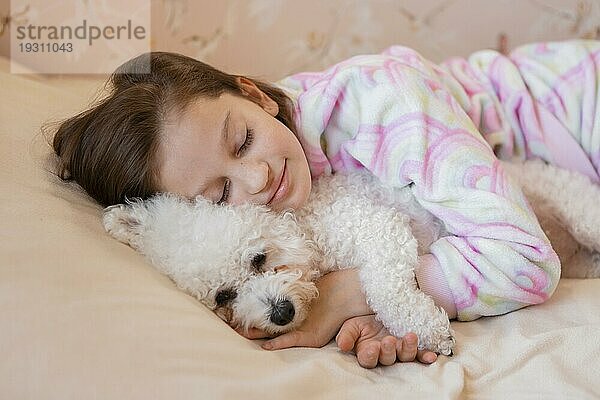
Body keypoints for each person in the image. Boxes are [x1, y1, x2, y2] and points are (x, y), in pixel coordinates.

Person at [51, 39, 599, 368]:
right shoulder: (288, 219)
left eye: (242, 139)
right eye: (219, 194)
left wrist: (350, 294)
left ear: (255, 95)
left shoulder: (383, 105)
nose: (258, 174)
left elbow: (524, 260)